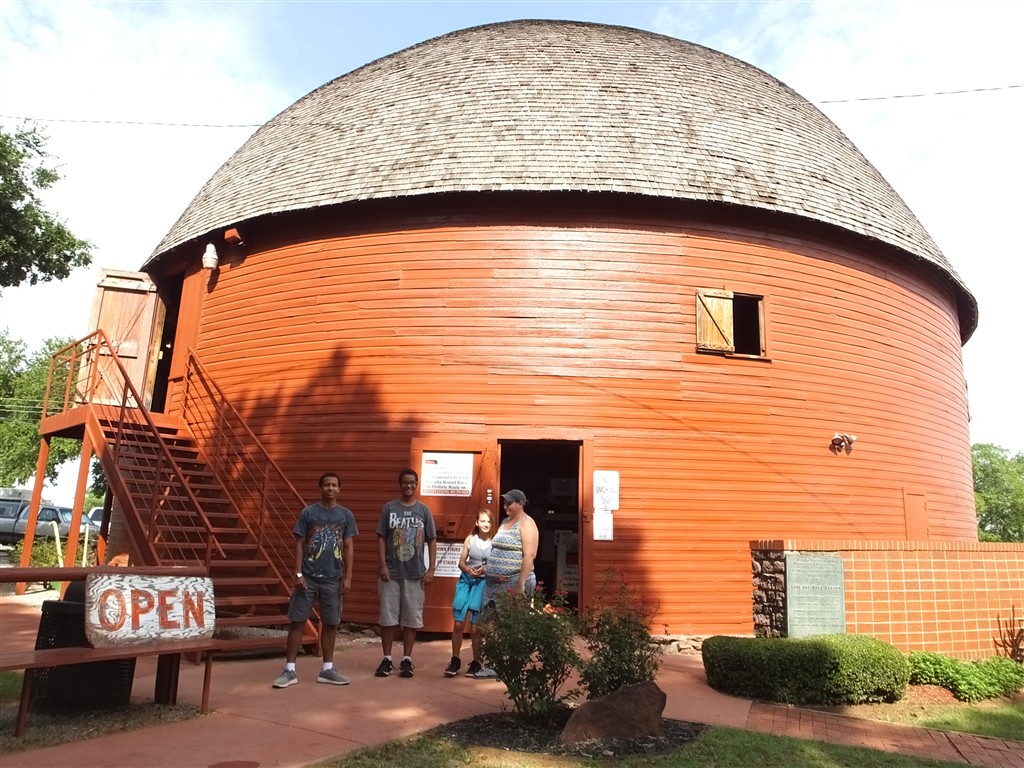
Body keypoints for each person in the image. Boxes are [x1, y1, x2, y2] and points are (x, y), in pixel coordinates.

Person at [273, 471, 358, 688]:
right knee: (298, 620)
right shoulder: (308, 513)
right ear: (320, 488)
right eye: (327, 485)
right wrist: (298, 573)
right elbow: (300, 543)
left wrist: (348, 577)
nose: (330, 488)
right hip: (308, 577)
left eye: (334, 485)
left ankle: (327, 669)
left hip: (333, 579)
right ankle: (289, 670)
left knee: (331, 622)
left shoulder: (345, 515)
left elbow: (348, 546)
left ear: (339, 489)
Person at [375, 468, 437, 678]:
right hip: (391, 573)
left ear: (416, 484)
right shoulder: (389, 508)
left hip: (415, 573)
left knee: (411, 618)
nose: (408, 486)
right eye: (405, 482)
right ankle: (387, 659)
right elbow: (381, 537)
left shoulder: (424, 510)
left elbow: (432, 540)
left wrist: (431, 568)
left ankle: (407, 660)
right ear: (400, 484)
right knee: (388, 617)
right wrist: (382, 565)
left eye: (412, 482)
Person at [474, 489, 539, 679]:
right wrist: (488, 568)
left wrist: (520, 584)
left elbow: (529, 555)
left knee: (513, 626)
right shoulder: (504, 522)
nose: (505, 506)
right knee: (488, 624)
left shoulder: (527, 524)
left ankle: (514, 667)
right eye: (504, 503)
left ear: (521, 503)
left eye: (509, 503)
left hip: (512, 581)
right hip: (492, 583)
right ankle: (494, 664)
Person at [445, 508, 494, 677]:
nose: (485, 524)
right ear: (477, 523)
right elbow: (461, 562)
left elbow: (496, 566)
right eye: (483, 521)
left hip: (482, 583)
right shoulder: (470, 539)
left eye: (488, 521)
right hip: (466, 581)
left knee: (475, 627)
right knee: (458, 623)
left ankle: (476, 661)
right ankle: (455, 660)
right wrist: (467, 569)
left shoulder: (494, 543)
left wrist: (484, 570)